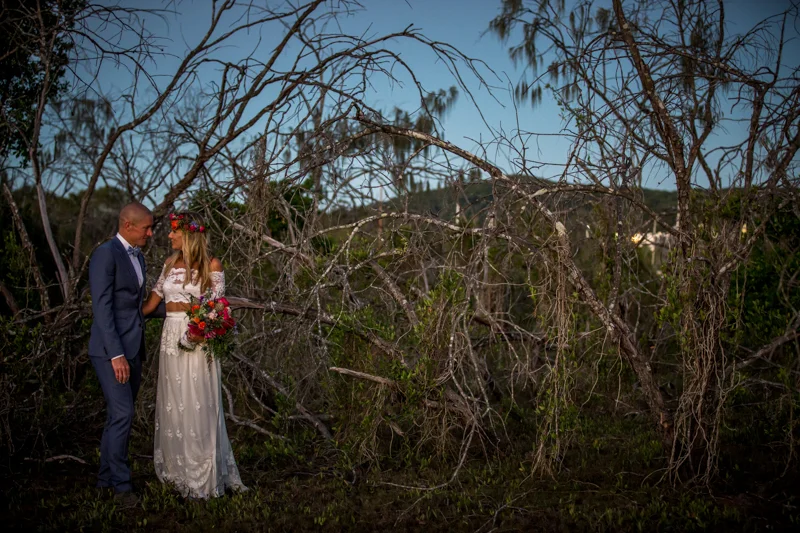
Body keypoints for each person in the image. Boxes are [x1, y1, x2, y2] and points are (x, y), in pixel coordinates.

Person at [142, 212, 246, 499]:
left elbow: (217, 308)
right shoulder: (168, 264)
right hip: (170, 337)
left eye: (173, 231)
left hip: (198, 339)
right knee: (175, 403)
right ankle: (178, 474)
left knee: (199, 402)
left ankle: (205, 476)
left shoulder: (212, 265)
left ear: (187, 234)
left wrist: (199, 331)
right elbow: (151, 304)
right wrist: (119, 314)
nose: (169, 236)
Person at [88, 202, 165, 506]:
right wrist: (116, 354)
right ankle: (122, 487)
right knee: (123, 414)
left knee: (116, 417)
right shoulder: (106, 254)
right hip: (111, 352)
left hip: (134, 347)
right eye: (146, 227)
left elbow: (138, 308)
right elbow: (102, 308)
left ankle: (104, 480)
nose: (150, 232)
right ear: (127, 225)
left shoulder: (139, 257)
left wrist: (185, 310)